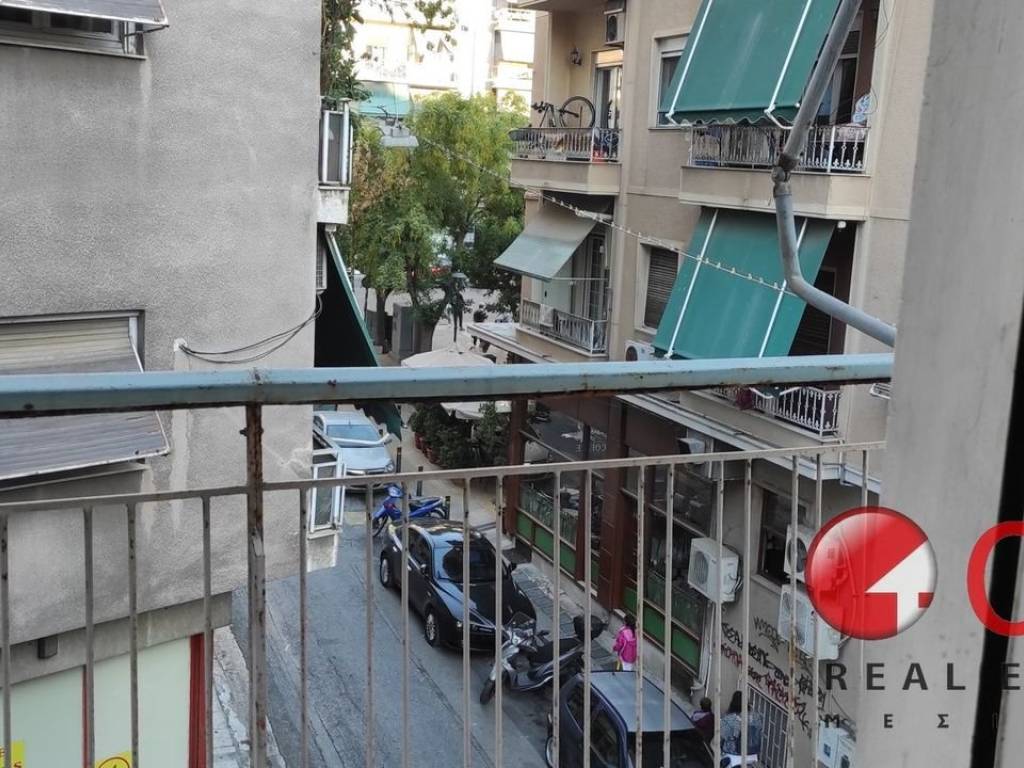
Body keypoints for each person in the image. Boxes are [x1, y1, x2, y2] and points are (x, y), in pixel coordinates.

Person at [719, 691, 763, 761]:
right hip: (753, 754)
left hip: (733, 755)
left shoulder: (729, 719)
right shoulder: (756, 717)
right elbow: (759, 730)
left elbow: (723, 736)